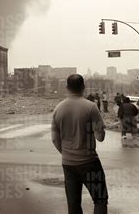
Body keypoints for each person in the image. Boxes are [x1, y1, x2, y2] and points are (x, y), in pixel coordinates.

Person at [52, 74, 108, 214]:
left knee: (73, 204)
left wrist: (66, 153)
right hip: (90, 163)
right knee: (100, 199)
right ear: (83, 87)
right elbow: (100, 137)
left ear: (67, 88)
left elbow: (54, 139)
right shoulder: (91, 107)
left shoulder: (58, 108)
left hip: (68, 164)